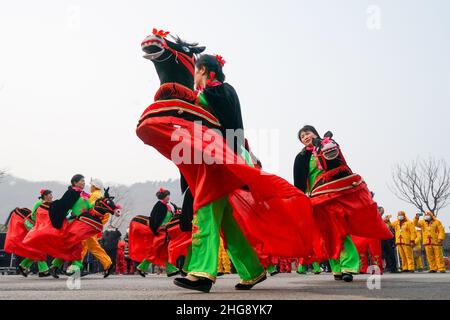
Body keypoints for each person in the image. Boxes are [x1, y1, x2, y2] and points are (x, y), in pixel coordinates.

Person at [173, 54, 266, 292]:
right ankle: (252, 270)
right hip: (223, 160)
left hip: (218, 161)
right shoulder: (219, 92)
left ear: (203, 69)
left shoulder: (219, 92)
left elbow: (220, 125)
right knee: (226, 220)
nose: (193, 77)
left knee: (204, 209)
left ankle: (201, 272)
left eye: (195, 71)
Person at [74, 178, 114, 277]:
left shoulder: (94, 196)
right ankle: (107, 264)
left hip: (90, 225)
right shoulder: (100, 195)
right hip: (95, 225)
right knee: (92, 246)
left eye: (90, 185)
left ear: (94, 186)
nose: (89, 187)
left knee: (83, 245)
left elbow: (89, 209)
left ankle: (77, 267)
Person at [136, 189, 179, 277]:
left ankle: (170, 269)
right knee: (155, 250)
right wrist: (155, 230)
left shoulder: (168, 207)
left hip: (166, 231)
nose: (169, 197)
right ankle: (142, 266)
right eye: (167, 196)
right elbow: (153, 219)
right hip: (160, 232)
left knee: (164, 251)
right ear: (164, 197)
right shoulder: (159, 205)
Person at [18, 190, 52, 278]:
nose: (51, 196)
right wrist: (40, 224)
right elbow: (33, 215)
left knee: (38, 249)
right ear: (45, 196)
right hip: (36, 228)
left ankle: (23, 265)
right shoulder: (39, 203)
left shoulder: (48, 204)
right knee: (40, 249)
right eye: (50, 195)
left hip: (42, 228)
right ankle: (43, 270)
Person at [381, 209, 398, 273]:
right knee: (384, 255)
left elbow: (394, 233)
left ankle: (393, 268)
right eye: (386, 217)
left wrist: (394, 242)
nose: (386, 218)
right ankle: (387, 267)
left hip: (390, 241)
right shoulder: (381, 222)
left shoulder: (390, 225)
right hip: (383, 240)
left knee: (391, 254)